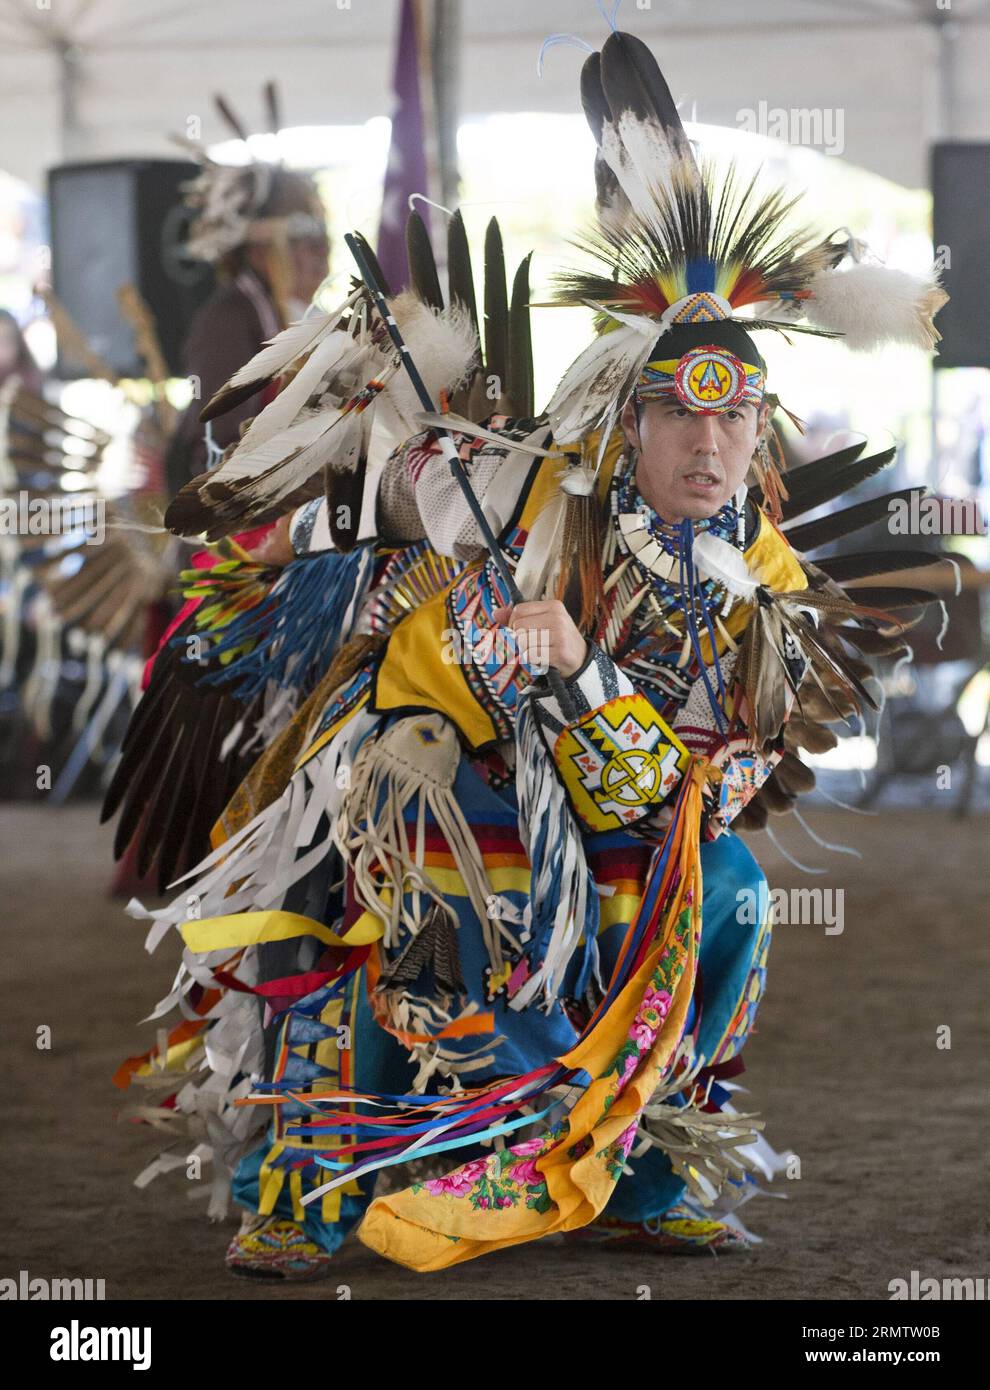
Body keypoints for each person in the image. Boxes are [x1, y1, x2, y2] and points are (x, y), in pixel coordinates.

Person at [106, 29, 947, 1280]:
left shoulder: (752, 559)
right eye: (682, 413)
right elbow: (355, 522)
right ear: (626, 416)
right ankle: (322, 1185)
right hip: (456, 776)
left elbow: (727, 737)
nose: (710, 445)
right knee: (429, 890)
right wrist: (375, 652)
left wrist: (668, 721)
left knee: (730, 895)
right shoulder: (517, 500)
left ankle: (648, 1161)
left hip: (630, 810)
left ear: (760, 426)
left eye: (736, 416)